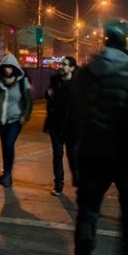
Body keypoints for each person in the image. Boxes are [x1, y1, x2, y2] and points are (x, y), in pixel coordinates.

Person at [70, 19, 128, 255]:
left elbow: (75, 113)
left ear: (105, 40)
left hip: (91, 153)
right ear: (126, 42)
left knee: (87, 212)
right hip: (124, 155)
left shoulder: (85, 72)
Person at [0, 53, 33, 187]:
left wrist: (25, 116)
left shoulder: (22, 80)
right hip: (1, 119)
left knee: (9, 144)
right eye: (5, 67)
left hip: (15, 119)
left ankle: (7, 174)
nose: (7, 69)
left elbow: (29, 100)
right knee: (5, 145)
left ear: (15, 68)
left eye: (10, 67)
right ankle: (6, 173)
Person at [44, 55, 78, 196]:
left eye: (65, 64)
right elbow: (49, 96)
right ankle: (58, 184)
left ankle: (78, 179)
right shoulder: (55, 80)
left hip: (70, 126)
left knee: (72, 155)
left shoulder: (77, 84)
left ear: (72, 68)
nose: (62, 67)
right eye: (62, 64)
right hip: (55, 124)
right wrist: (48, 94)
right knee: (57, 155)